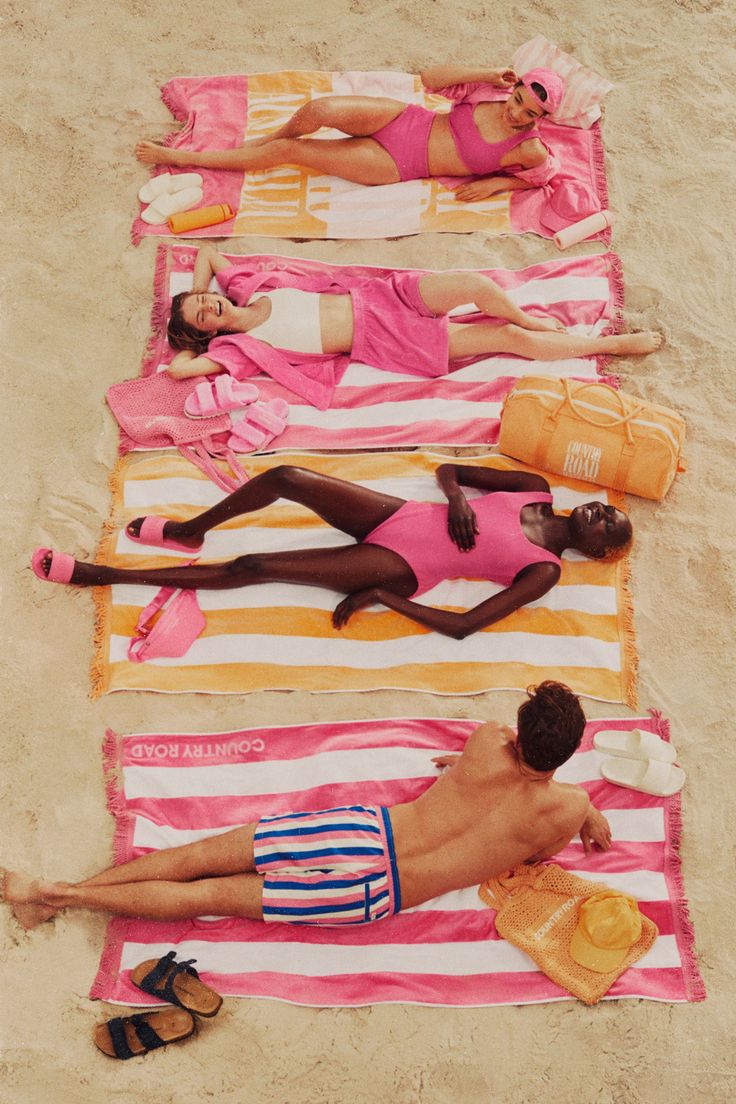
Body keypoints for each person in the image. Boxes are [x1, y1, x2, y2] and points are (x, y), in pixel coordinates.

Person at [2, 682, 613, 930]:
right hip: (379, 894)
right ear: (570, 751)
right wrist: (582, 809)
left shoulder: (484, 741)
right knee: (210, 899)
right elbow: (538, 852)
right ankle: (61, 897)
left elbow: (499, 749)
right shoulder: (564, 809)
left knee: (196, 859)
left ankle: (60, 892)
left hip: (364, 833)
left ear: (520, 727)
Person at [32, 461, 632, 639]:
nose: (599, 512)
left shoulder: (545, 570)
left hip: (402, 566)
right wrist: (456, 498)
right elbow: (450, 470)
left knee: (255, 567)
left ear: (597, 552)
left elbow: (466, 625)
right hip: (399, 516)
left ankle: (100, 573)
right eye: (606, 506)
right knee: (289, 477)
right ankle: (192, 530)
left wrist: (380, 596)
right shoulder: (535, 489)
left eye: (607, 525)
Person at [161, 244, 661, 396]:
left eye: (204, 302)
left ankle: (529, 317)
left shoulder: (245, 289)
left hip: (383, 295)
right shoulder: (238, 352)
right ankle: (610, 346)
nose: (209, 306)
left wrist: (198, 295)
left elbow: (205, 252)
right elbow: (182, 370)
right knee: (503, 338)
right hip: (388, 338)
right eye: (203, 316)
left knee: (473, 283)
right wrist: (197, 338)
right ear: (208, 334)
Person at [135, 67, 564, 201]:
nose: (516, 114)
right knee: (320, 109)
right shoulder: (490, 92)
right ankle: (265, 141)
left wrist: (493, 185)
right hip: (407, 120)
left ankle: (182, 158)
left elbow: (542, 177)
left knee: (292, 151)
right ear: (514, 88)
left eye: (529, 113)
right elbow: (429, 79)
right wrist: (489, 72)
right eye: (518, 100)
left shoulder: (528, 148)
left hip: (399, 164)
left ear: (540, 118)